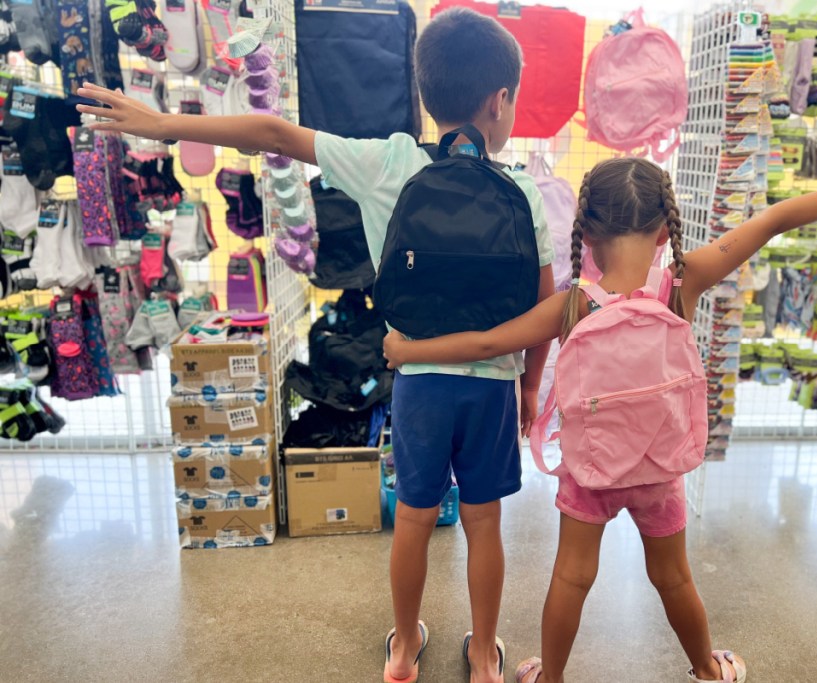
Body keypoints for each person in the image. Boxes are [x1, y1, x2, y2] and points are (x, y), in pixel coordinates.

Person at [75, 8, 555, 683]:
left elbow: (271, 131)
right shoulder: (522, 191)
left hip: (418, 383)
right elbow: (542, 303)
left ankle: (401, 649)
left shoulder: (386, 159)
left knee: (414, 518)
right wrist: (530, 386)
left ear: (422, 94)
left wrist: (164, 125)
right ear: (501, 100)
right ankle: (482, 656)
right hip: (491, 386)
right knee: (483, 522)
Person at [382, 138, 817, 683]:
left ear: (586, 235)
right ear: (665, 231)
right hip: (660, 469)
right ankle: (708, 672)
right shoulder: (679, 286)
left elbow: (485, 344)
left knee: (571, 577)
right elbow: (771, 222)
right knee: (674, 577)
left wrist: (410, 351)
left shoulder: (574, 304)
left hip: (591, 474)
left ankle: (550, 679)